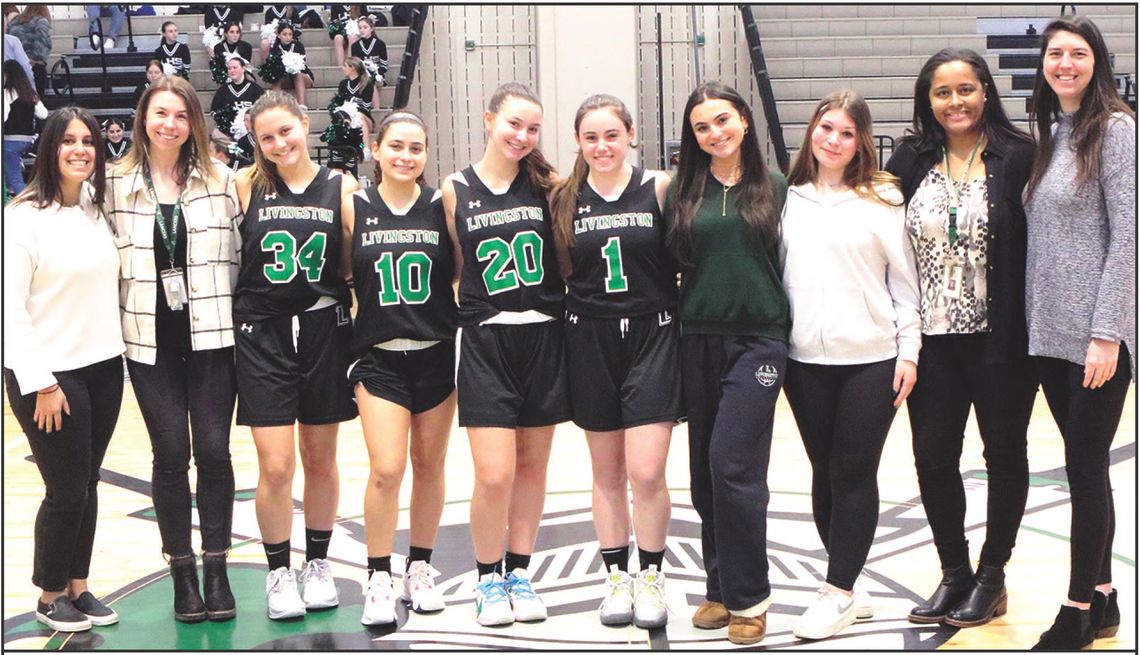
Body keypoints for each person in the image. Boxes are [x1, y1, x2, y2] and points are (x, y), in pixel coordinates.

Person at [884, 48, 1039, 630]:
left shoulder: (1019, 155)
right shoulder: (909, 159)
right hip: (932, 341)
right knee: (933, 460)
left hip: (1002, 341)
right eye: (943, 92)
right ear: (928, 100)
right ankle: (954, 572)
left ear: (985, 92)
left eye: (966, 89)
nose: (956, 102)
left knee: (1004, 456)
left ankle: (992, 576)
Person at [781, 90, 920, 640]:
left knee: (853, 470)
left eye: (845, 132)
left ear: (860, 140)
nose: (833, 140)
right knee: (824, 472)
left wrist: (909, 350)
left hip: (872, 358)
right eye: (825, 128)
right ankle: (850, 584)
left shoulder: (883, 199)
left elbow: (905, 285)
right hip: (804, 361)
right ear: (811, 132)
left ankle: (835, 592)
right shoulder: (789, 198)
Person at [105, 76, 242, 624]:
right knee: (169, 455)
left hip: (212, 339)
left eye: (181, 115)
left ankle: (217, 567)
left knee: (213, 452)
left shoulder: (223, 181)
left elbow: (241, 258)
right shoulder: (112, 184)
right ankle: (181, 571)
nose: (169, 124)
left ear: (194, 124)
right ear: (143, 118)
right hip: (148, 345)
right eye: (160, 113)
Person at [1023, 16, 1135, 651]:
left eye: (1078, 53)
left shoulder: (1116, 129)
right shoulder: (1054, 132)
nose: (1066, 63)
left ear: (1098, 61)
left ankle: (1076, 610)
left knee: (1084, 468)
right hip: (1050, 332)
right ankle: (1109, 598)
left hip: (1095, 336)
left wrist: (1107, 332)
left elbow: (1128, 238)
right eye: (1056, 53)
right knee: (1087, 467)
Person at [548, 94, 679, 630]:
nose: (602, 147)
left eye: (611, 135)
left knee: (646, 472)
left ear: (631, 136)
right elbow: (561, 270)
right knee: (606, 472)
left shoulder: (660, 188)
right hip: (589, 337)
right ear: (578, 142)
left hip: (653, 334)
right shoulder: (564, 198)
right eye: (590, 137)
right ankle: (615, 577)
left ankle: (651, 574)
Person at [441, 82, 569, 627]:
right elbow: (453, 268)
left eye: (533, 128)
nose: (522, 136)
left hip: (543, 335)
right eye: (513, 124)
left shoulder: (551, 187)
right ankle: (487, 577)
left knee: (532, 467)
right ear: (489, 120)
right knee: (494, 474)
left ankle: (519, 569)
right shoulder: (454, 189)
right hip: (486, 339)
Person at [664, 81, 787, 646]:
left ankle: (750, 597)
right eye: (702, 127)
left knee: (733, 465)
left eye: (723, 120)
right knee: (704, 474)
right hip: (698, 339)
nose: (715, 133)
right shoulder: (681, 193)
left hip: (758, 342)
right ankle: (718, 586)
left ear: (743, 119)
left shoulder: (777, 188)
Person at [234, 90, 359, 621]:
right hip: (263, 331)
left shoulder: (342, 186)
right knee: (277, 464)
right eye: (266, 137)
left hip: (324, 327)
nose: (278, 143)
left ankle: (318, 563)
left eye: (285, 131)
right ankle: (278, 570)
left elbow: (357, 260)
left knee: (320, 456)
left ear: (305, 123)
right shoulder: (245, 184)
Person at [3, 106, 124, 633]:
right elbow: (9, 311)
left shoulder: (95, 206)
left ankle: (79, 584)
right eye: (68, 141)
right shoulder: (21, 217)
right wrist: (43, 383)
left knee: (88, 483)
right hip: (50, 376)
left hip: (103, 366)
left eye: (89, 141)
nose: (80, 150)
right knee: (66, 489)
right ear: (49, 148)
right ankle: (50, 594)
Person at [345, 111, 458, 625]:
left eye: (415, 148)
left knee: (430, 466)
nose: (405, 156)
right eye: (395, 146)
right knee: (387, 469)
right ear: (377, 150)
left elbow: (461, 268)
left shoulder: (441, 206)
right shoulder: (355, 206)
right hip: (379, 356)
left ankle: (420, 566)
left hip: (435, 351)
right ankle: (378, 576)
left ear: (426, 155)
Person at [2, 60, 48, 194]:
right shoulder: (30, 93)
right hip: (27, 140)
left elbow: (3, 117)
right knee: (11, 175)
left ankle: (25, 202)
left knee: (16, 180)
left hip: (10, 140)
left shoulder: (6, 93)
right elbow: (43, 114)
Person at [210, 54, 263, 139]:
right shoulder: (223, 90)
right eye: (229, 68)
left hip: (250, 130)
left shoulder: (255, 88)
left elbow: (263, 109)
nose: (232, 71)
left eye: (235, 68)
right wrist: (225, 121)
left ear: (243, 69)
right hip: (230, 132)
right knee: (216, 133)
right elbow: (214, 111)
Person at [265, 22, 313, 109]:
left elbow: (302, 65)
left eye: (290, 34)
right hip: (285, 78)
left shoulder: (298, 46)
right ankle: (276, 106)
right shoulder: (275, 48)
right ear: (278, 35)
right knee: (276, 78)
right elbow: (272, 67)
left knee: (297, 74)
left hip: (303, 77)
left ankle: (301, 105)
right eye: (284, 34)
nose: (288, 37)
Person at [7, 5, 51, 97]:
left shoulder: (14, 22)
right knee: (37, 99)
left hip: (15, 66)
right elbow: (41, 41)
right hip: (35, 65)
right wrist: (34, 59)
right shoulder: (41, 21)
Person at [334, 56, 375, 154]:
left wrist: (354, 112)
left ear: (352, 68)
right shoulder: (343, 84)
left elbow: (366, 107)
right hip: (348, 117)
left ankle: (366, 149)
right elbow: (340, 103)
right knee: (341, 117)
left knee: (360, 116)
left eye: (345, 66)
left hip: (365, 118)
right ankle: (343, 151)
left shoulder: (366, 83)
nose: (343, 68)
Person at [349, 16, 386, 115]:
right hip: (362, 75)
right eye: (360, 28)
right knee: (368, 81)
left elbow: (384, 65)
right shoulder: (355, 46)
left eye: (365, 27)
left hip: (377, 75)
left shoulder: (380, 44)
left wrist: (376, 73)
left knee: (371, 82)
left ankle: (376, 112)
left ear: (372, 28)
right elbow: (355, 65)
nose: (362, 30)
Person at [327, 4, 358, 68]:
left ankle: (350, 66)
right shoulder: (336, 5)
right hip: (342, 33)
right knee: (338, 38)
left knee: (352, 37)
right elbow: (333, 24)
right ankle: (341, 67)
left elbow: (365, 21)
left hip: (356, 34)